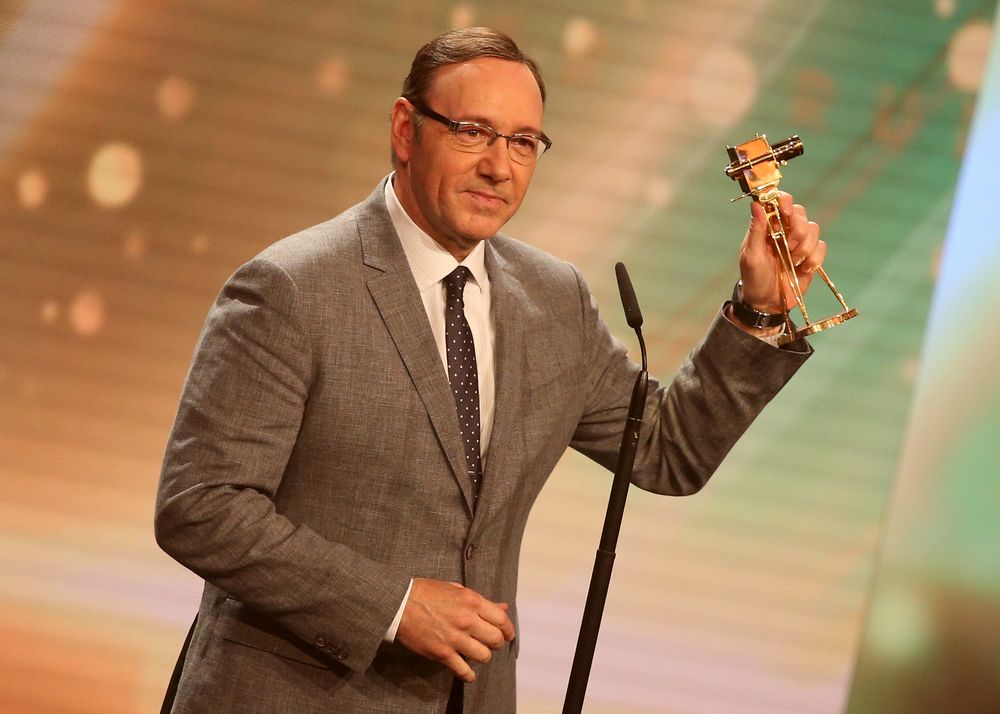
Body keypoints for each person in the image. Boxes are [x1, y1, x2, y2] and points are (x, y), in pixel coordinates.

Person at [155, 27, 824, 714]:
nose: (499, 167)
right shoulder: (293, 287)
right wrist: (394, 606)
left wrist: (759, 311)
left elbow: (665, 450)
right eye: (473, 133)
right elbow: (200, 507)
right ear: (406, 129)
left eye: (524, 142)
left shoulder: (554, 300)